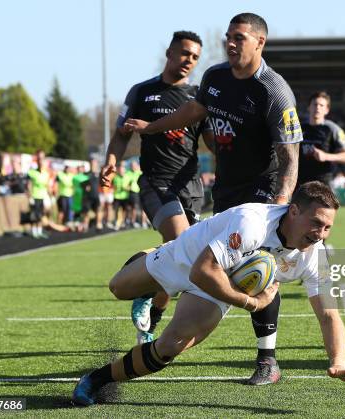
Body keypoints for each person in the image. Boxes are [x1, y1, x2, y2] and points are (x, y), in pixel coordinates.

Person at [71, 182, 345, 406]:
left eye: (328, 227)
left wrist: (338, 361)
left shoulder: (315, 255)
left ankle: (95, 380)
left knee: (171, 345)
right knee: (117, 288)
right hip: (186, 257)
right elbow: (202, 270)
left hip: (218, 283)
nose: (321, 233)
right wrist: (251, 302)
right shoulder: (252, 224)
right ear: (293, 210)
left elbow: (329, 314)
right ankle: (154, 259)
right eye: (316, 222)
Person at [124, 13, 302, 385]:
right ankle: (152, 279)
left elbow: (290, 154)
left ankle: (267, 360)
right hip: (225, 191)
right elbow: (193, 111)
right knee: (201, 256)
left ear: (259, 43)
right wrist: (150, 127)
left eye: (239, 37)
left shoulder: (274, 90)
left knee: (264, 269)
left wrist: (280, 206)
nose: (231, 43)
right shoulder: (215, 77)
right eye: (228, 37)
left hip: (263, 192)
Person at [100, 30, 208, 344]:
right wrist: (111, 161)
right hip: (156, 182)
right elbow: (122, 134)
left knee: (184, 259)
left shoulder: (199, 97)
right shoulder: (143, 92)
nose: (189, 60)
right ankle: (142, 289)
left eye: (195, 57)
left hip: (191, 186)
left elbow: (214, 142)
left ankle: (149, 327)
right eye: (185, 53)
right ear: (170, 53)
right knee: (180, 241)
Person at [298, 91, 345, 187]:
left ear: (327, 110)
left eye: (321, 105)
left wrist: (326, 156)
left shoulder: (332, 129)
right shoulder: (298, 128)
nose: (317, 108)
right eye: (315, 104)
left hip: (323, 183)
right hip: (300, 183)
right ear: (309, 107)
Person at [27, 150, 51, 239]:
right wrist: (30, 197)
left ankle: (39, 231)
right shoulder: (32, 172)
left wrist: (50, 197)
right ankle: (34, 231)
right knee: (34, 215)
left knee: (41, 215)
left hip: (43, 196)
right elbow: (29, 185)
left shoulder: (45, 173)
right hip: (35, 196)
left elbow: (47, 186)